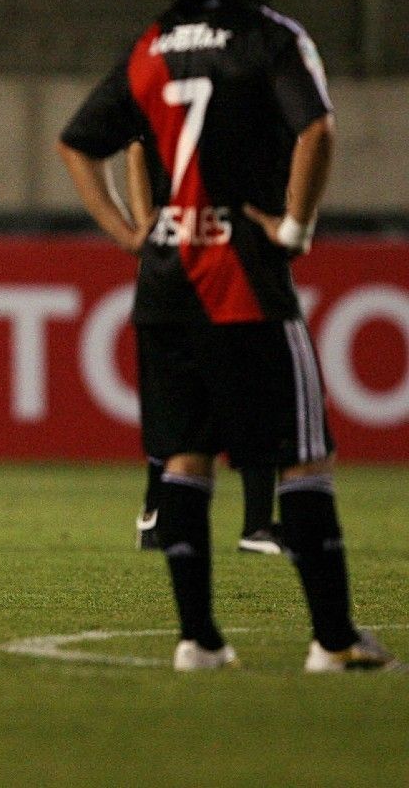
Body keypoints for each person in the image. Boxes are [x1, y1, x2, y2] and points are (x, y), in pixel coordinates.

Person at [58, 0, 396, 672]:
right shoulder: (272, 38)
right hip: (241, 277)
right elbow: (317, 127)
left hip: (166, 281)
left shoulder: (152, 46)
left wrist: (127, 232)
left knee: (185, 457)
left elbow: (80, 142)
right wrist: (297, 228)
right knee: (303, 457)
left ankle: (199, 641)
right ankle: (336, 641)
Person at [125, 142, 281, 556]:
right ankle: (159, 511)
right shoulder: (170, 82)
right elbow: (135, 147)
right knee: (181, 402)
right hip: (182, 253)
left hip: (232, 251)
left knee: (251, 387)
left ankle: (257, 524)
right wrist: (142, 229)